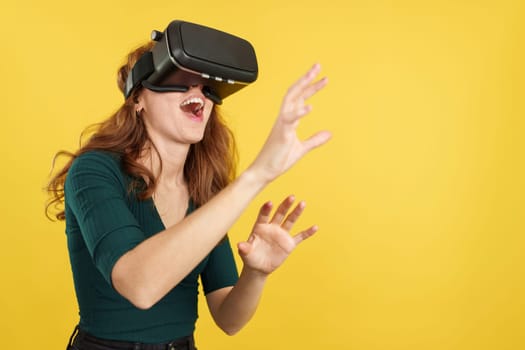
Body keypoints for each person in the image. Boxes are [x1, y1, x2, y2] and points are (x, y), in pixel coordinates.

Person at [46, 21, 331, 350]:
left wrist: (257, 273)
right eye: (179, 79)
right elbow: (140, 286)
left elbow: (229, 317)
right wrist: (257, 175)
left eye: (208, 86)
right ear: (138, 97)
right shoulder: (95, 171)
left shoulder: (202, 190)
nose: (198, 92)